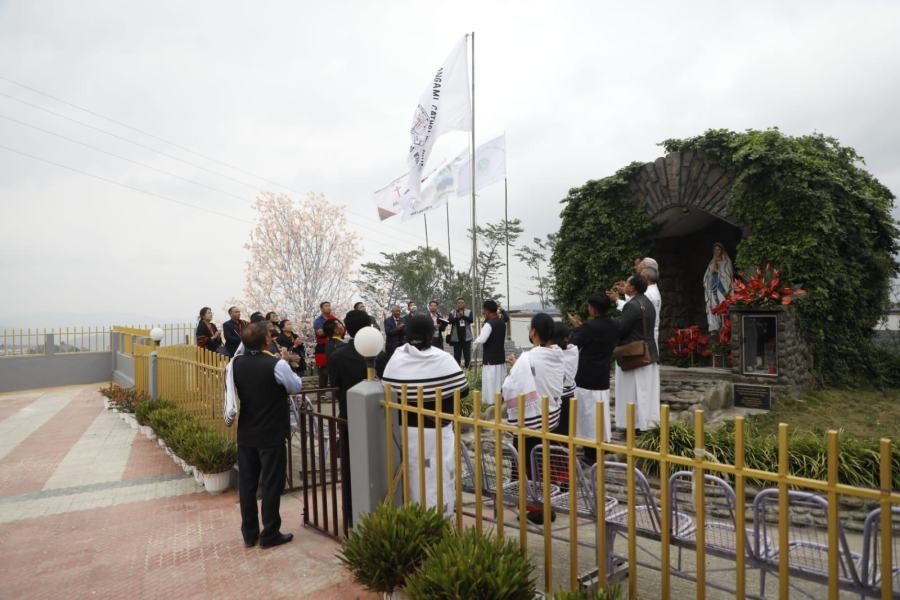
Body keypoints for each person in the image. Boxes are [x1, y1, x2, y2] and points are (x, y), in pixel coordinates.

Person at [382, 315, 468, 511]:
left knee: (411, 475)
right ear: (432, 333)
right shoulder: (442, 359)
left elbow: (387, 390)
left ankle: (412, 517)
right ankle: (438, 519)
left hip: (404, 430)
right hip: (436, 431)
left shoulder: (397, 358)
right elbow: (463, 390)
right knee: (436, 477)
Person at [227, 322, 301, 549]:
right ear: (267, 340)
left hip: (247, 431)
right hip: (271, 431)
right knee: (271, 482)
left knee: (247, 485)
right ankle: (270, 532)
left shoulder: (235, 363)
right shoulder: (276, 364)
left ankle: (249, 533)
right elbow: (294, 386)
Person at [327, 309, 374, 527]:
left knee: (350, 466)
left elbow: (335, 388)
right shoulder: (381, 353)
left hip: (349, 416)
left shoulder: (338, 355)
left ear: (347, 327)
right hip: (378, 417)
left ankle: (351, 513)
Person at [501, 313, 564, 473]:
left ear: (533, 332)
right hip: (553, 419)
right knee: (547, 467)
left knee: (527, 472)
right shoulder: (558, 355)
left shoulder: (527, 358)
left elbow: (509, 387)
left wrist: (515, 368)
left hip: (531, 424)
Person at [567, 294, 618, 460]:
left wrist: (577, 327)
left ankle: (590, 451)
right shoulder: (613, 325)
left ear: (593, 308)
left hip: (586, 375)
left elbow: (575, 343)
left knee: (587, 414)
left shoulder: (589, 327)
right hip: (602, 374)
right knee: (600, 412)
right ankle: (601, 442)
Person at [613, 274, 660, 433]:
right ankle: (646, 423)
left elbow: (621, 330)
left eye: (627, 283)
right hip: (649, 352)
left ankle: (633, 424)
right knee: (647, 392)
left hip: (634, 355)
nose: (625, 285)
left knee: (631, 392)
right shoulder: (648, 303)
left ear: (632, 287)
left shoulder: (631, 306)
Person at [471, 299, 507, 405]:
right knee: (500, 382)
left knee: (491, 383)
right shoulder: (502, 322)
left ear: (487, 311)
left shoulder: (489, 324)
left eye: (484, 311)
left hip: (491, 360)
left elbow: (482, 339)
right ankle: (500, 402)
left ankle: (491, 403)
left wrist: (474, 344)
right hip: (500, 358)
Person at [551, 322, 578, 438]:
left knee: (555, 432)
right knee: (566, 433)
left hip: (555, 399)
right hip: (569, 398)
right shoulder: (573, 352)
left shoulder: (554, 356)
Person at [703, 243, 734, 332]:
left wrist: (719, 272)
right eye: (715, 250)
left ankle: (725, 328)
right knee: (713, 307)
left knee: (723, 307)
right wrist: (712, 272)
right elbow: (705, 278)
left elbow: (729, 276)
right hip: (712, 288)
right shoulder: (711, 263)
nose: (716, 252)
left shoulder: (726, 262)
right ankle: (715, 327)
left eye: (718, 250)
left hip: (722, 289)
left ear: (722, 251)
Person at [313, 302, 339, 388]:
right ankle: (322, 393)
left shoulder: (334, 319)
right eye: (326, 306)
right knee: (324, 371)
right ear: (321, 309)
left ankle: (335, 391)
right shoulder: (318, 321)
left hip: (335, 345)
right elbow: (320, 333)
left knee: (335, 369)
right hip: (323, 347)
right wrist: (332, 330)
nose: (329, 307)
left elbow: (341, 329)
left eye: (329, 306)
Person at [448, 297, 474, 368]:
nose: (461, 304)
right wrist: (458, 317)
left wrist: (463, 316)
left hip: (466, 338)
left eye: (462, 302)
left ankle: (468, 370)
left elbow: (471, 320)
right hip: (456, 338)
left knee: (467, 356)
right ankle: (457, 370)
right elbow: (450, 321)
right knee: (457, 356)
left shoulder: (469, 311)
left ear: (464, 303)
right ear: (457, 304)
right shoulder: (452, 312)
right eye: (459, 303)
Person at [641, 264, 662, 346]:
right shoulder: (653, 290)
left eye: (642, 276)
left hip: (648, 331)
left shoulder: (648, 293)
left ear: (646, 278)